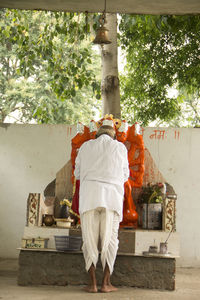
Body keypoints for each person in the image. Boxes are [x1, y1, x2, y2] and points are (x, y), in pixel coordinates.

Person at [74, 124, 129, 293]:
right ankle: (106, 284)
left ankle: (93, 285)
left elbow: (77, 174)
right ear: (113, 137)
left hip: (90, 197)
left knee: (89, 241)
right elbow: (126, 175)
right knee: (111, 240)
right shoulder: (120, 147)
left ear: (96, 135)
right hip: (112, 199)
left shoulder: (85, 146)